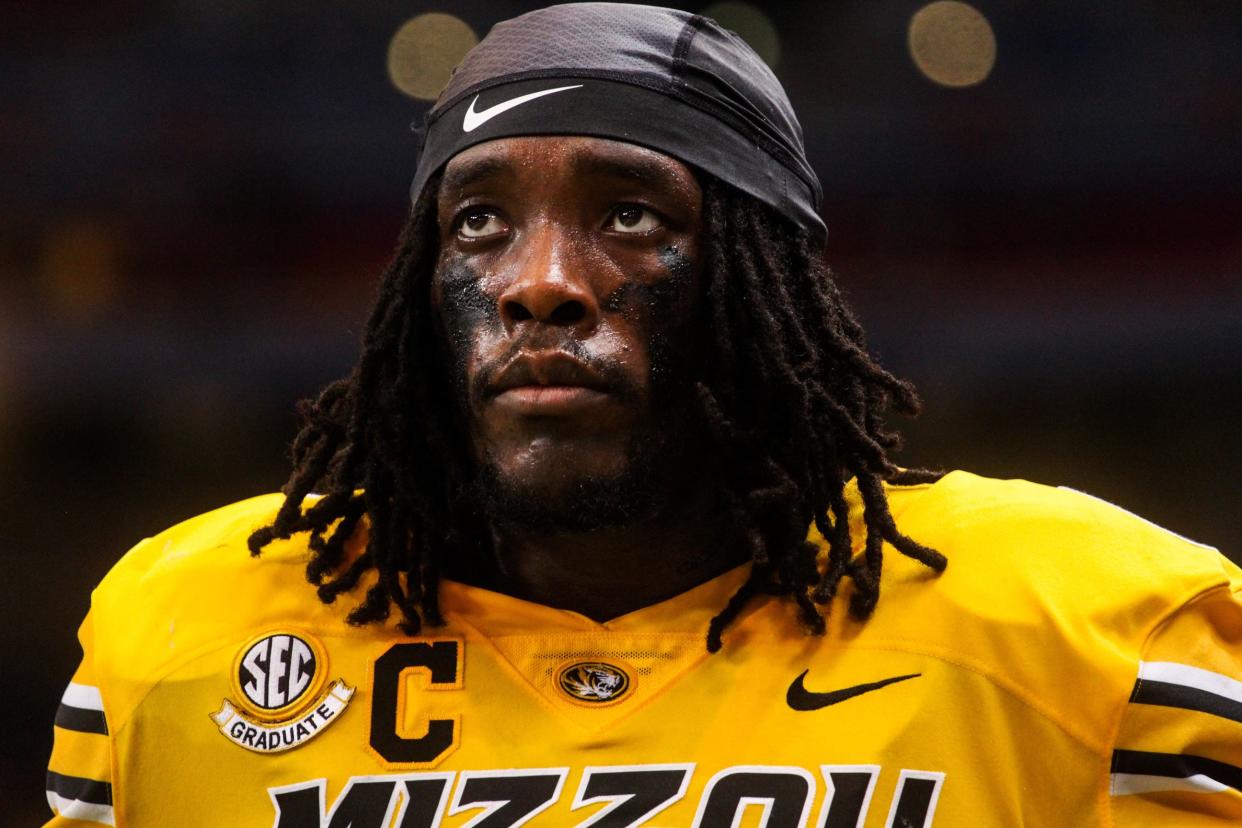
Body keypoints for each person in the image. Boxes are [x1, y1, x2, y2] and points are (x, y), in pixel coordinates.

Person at [45, 4, 1241, 826]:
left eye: (630, 215)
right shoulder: (185, 644)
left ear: (761, 280)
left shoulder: (1089, 637)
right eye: (478, 223)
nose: (538, 279)